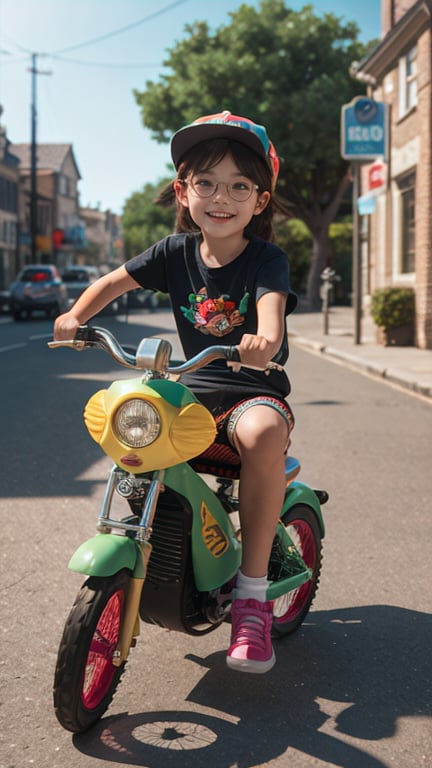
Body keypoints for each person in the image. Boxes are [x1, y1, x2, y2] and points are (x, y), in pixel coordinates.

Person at [54, 110, 297, 674]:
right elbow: (112, 281)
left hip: (250, 387)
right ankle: (150, 550)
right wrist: (75, 315)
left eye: (240, 186)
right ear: (182, 191)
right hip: (193, 390)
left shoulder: (267, 259)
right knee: (130, 414)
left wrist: (264, 341)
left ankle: (253, 600)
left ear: (259, 202)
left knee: (261, 432)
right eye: (206, 182)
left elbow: (271, 309)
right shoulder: (173, 252)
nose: (221, 197)